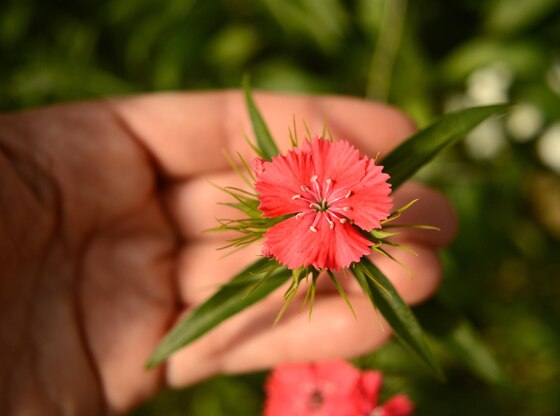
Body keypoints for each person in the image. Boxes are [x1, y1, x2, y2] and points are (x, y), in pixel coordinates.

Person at [0, 91, 456, 414]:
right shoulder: (286, 232)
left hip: (334, 216)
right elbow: (294, 229)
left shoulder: (333, 202)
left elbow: (342, 187)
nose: (318, 204)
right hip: (306, 229)